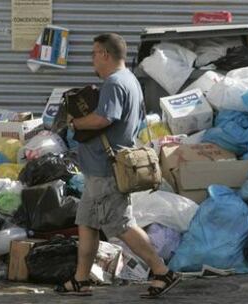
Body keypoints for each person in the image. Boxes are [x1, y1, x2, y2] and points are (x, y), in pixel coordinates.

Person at [54, 33, 181, 298]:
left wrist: (74, 123)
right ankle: (80, 279)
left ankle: (161, 271)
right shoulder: (130, 80)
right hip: (99, 169)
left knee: (121, 225)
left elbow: (103, 119)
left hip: (106, 169)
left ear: (105, 55)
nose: (92, 60)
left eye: (93, 54)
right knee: (87, 223)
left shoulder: (114, 82)